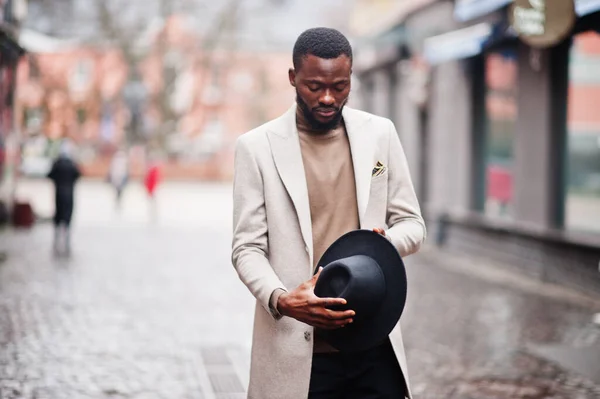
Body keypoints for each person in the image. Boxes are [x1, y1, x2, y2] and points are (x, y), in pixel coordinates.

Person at [231, 28, 426, 399]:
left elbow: (412, 224)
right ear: (293, 78)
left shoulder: (380, 134)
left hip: (374, 344)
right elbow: (246, 248)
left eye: (339, 87)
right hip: (298, 352)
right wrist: (281, 298)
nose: (327, 97)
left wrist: (381, 244)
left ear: (351, 78)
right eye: (313, 86)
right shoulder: (256, 148)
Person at [47, 140, 81, 255]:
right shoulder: (72, 164)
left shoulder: (57, 163)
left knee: (58, 215)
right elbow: (78, 175)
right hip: (69, 194)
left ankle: (57, 239)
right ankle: (66, 240)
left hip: (58, 194)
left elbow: (50, 175)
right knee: (67, 216)